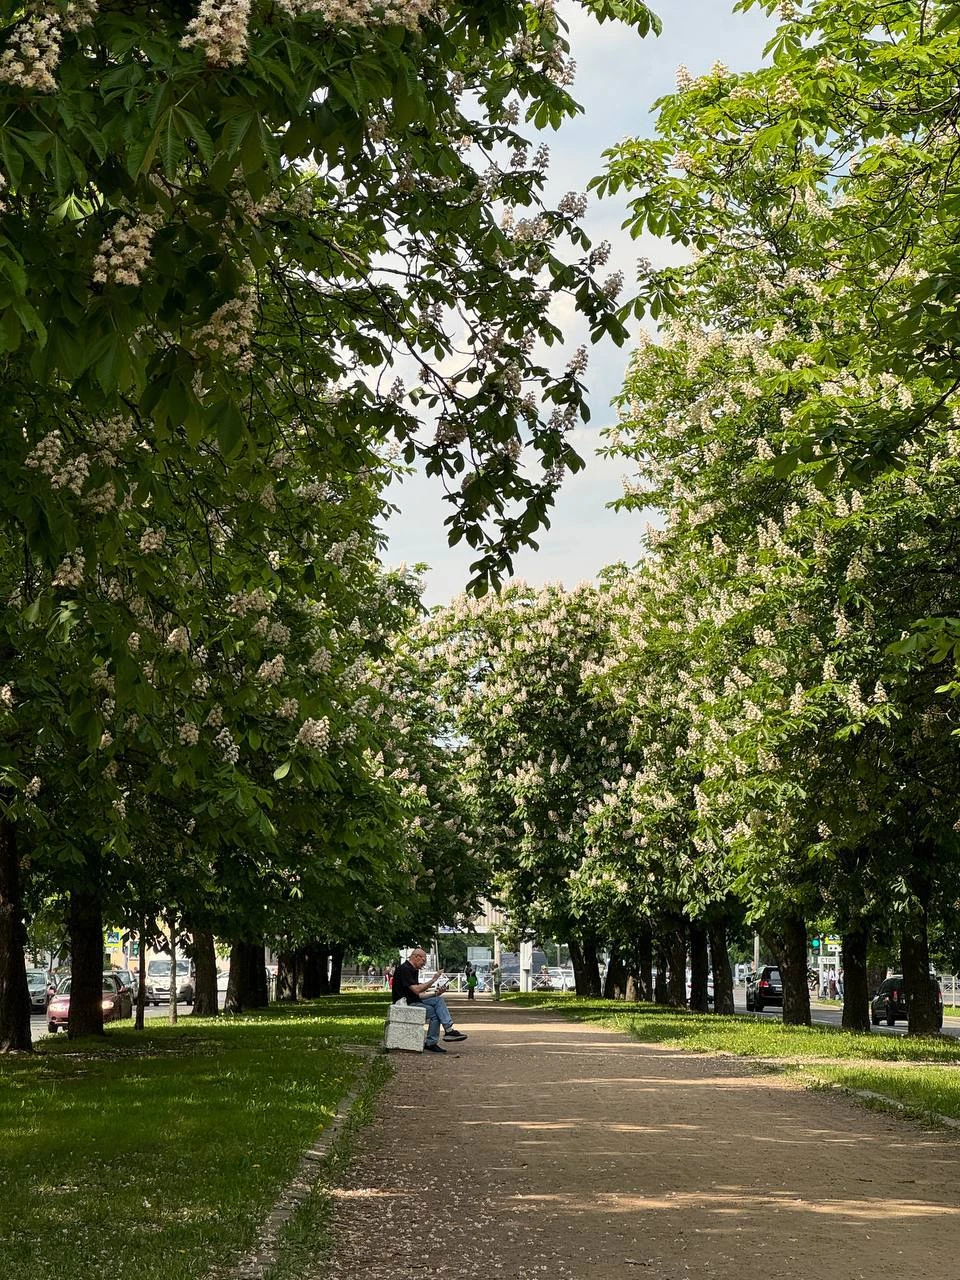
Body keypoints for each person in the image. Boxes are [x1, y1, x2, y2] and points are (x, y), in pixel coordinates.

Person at [392, 948, 468, 1054]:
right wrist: (433, 979)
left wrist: (436, 994)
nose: (423, 964)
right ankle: (432, 1042)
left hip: (414, 1000)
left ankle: (448, 1030)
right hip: (405, 1004)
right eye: (423, 961)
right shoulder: (405, 969)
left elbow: (419, 995)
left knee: (438, 1000)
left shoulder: (413, 970)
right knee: (435, 1014)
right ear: (416, 957)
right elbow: (417, 989)